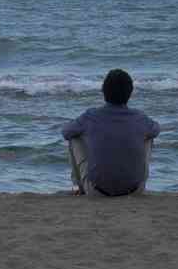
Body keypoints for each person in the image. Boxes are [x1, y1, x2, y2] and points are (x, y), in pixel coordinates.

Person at [60, 68, 160, 196]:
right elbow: (156, 129)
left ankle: (79, 187)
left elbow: (65, 132)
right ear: (130, 93)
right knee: (148, 136)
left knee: (74, 137)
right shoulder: (139, 118)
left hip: (97, 191)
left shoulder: (90, 116)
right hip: (135, 190)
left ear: (103, 91)